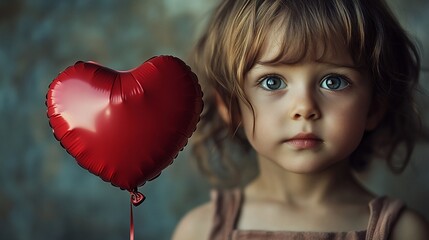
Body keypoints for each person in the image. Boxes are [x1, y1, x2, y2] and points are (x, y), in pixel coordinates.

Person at [173, 0, 429, 239]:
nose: (305, 108)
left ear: (374, 107)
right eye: (272, 82)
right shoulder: (200, 230)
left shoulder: (403, 232)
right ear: (232, 108)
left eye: (333, 81)